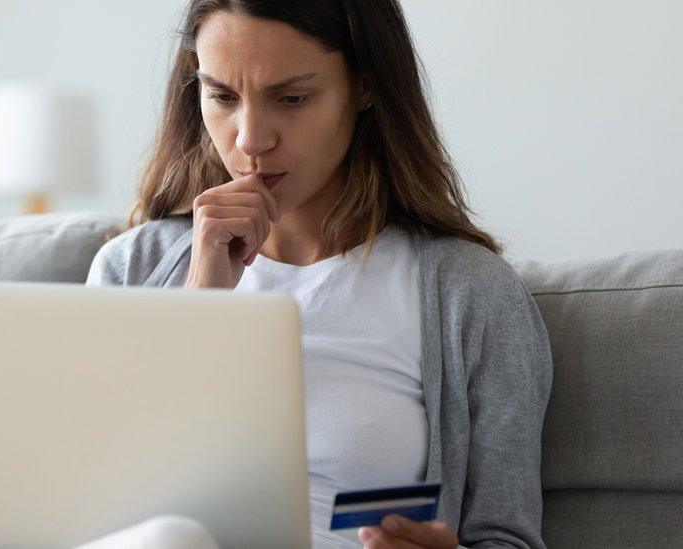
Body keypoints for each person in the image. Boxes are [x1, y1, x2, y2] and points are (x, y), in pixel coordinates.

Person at [86, 1, 553, 548]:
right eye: (222, 96)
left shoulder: (470, 293)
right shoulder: (131, 270)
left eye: (291, 98)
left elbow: (508, 536)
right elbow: (93, 501)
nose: (250, 139)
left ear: (364, 86)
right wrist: (198, 308)